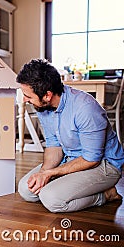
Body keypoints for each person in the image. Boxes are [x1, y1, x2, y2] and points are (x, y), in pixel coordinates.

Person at [17, 58, 124, 213]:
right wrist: (43, 173)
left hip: (103, 165)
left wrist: (51, 173)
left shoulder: (85, 108)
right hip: (71, 159)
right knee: (26, 189)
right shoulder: (43, 107)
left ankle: (106, 194)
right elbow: (54, 145)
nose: (25, 100)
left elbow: (91, 159)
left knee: (51, 199)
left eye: (28, 96)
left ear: (47, 95)